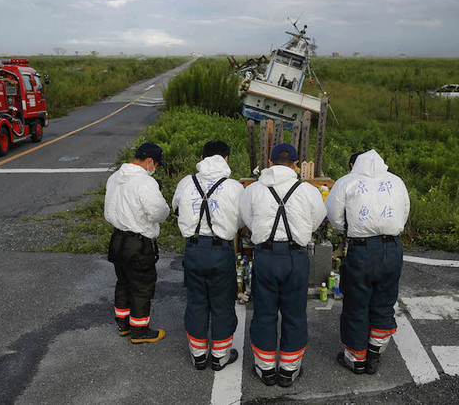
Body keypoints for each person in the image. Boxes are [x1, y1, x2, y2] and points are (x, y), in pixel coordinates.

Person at [240, 143, 326, 387]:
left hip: (265, 256)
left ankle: (265, 369)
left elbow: (248, 218)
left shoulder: (254, 190)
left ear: (270, 163)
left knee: (264, 313)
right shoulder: (307, 190)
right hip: (295, 258)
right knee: (295, 314)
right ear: (297, 165)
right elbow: (317, 220)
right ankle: (288, 370)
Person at [324, 149, 410, 375]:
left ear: (353, 164)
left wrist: (348, 230)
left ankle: (356, 360)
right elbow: (405, 211)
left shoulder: (346, 182)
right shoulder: (396, 181)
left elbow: (333, 215)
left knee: (356, 304)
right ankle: (375, 354)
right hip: (392, 249)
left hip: (361, 249)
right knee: (384, 302)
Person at [172, 140, 245, 371]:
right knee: (222, 304)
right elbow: (242, 220)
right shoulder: (234, 187)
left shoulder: (186, 182)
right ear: (226, 159)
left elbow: (176, 210)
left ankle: (198, 355)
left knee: (196, 302)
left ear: (202, 158)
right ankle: (220, 356)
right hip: (221, 251)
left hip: (193, 249)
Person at [104, 142, 170, 344]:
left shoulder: (115, 177)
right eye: (156, 164)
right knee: (141, 286)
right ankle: (139, 331)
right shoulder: (145, 183)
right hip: (138, 243)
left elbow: (109, 209)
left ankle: (123, 325)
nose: (155, 169)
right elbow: (159, 212)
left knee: (123, 282)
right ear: (150, 161)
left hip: (117, 240)